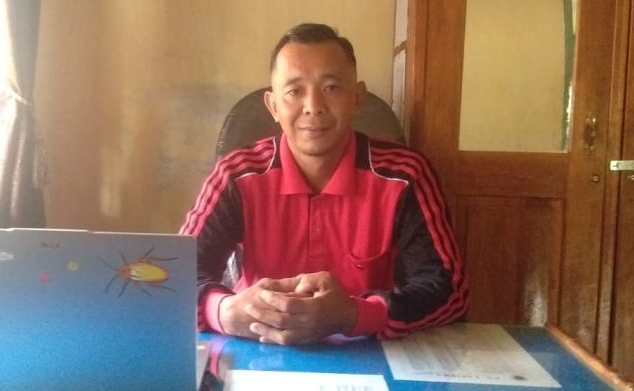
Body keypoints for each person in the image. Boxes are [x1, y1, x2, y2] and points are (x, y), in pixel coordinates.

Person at [180, 23, 467, 345]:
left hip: (367, 349)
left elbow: (450, 291)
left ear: (357, 98)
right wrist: (225, 311)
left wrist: (354, 315)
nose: (313, 106)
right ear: (273, 106)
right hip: (256, 346)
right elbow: (174, 273)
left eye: (331, 88)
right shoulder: (236, 173)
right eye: (294, 91)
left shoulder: (405, 174)